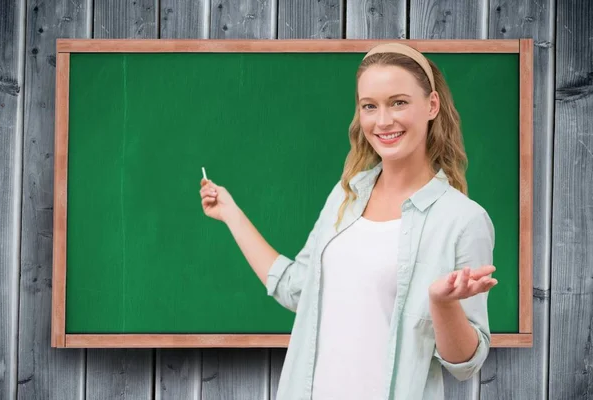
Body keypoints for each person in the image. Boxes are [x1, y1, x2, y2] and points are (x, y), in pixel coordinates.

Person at [199, 42, 497, 400]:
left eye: (398, 102)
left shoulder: (463, 220)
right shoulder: (345, 196)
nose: (383, 120)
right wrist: (230, 213)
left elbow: (465, 362)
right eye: (369, 106)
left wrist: (443, 304)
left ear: (431, 105)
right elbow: (296, 287)